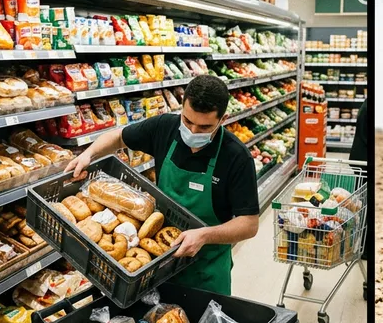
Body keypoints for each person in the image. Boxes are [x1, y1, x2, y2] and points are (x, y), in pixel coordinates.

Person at [65, 75, 259, 295]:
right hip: (157, 260)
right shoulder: (165, 127)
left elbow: (249, 224)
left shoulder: (236, 157)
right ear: (182, 108)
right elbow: (118, 137)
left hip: (205, 270)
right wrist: (88, 154)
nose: (193, 132)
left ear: (223, 119)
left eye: (204, 127)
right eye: (187, 121)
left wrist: (204, 235)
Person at [349, 99, 368, 261]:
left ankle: (363, 245)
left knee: (364, 204)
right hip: (364, 163)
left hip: (361, 161)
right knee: (366, 205)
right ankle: (365, 248)